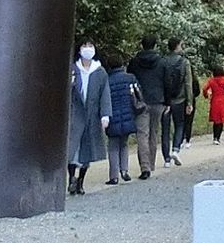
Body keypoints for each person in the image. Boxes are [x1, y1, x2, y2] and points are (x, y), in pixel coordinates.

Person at [67, 42, 110, 196]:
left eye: (90, 46)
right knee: (73, 149)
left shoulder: (100, 72)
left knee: (87, 150)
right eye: (85, 46)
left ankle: (80, 182)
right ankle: (71, 178)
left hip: (92, 115)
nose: (88, 49)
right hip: (75, 114)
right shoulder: (73, 69)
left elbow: (105, 94)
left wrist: (105, 115)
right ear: (80, 50)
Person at [128, 36, 164, 178]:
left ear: (142, 46)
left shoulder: (134, 62)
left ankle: (145, 167)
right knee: (154, 133)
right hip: (157, 100)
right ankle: (152, 163)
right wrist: (166, 101)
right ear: (155, 46)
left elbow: (130, 79)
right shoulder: (161, 62)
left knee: (142, 134)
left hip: (140, 101)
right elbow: (166, 81)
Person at [104, 49, 142, 184]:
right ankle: (125, 171)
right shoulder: (130, 78)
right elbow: (138, 94)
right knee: (124, 144)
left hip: (112, 116)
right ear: (121, 64)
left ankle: (114, 176)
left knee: (113, 146)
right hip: (128, 115)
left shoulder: (106, 81)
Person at [158, 38, 192, 166]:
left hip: (165, 100)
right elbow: (188, 83)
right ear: (177, 46)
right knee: (180, 124)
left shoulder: (162, 61)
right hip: (180, 98)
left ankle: (166, 159)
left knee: (165, 129)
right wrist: (189, 102)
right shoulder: (184, 62)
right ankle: (176, 149)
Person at [204, 63, 224, 142]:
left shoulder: (211, 80)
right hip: (223, 100)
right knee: (221, 120)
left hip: (215, 100)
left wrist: (206, 96)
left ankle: (215, 137)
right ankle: (218, 138)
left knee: (216, 120)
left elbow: (205, 88)